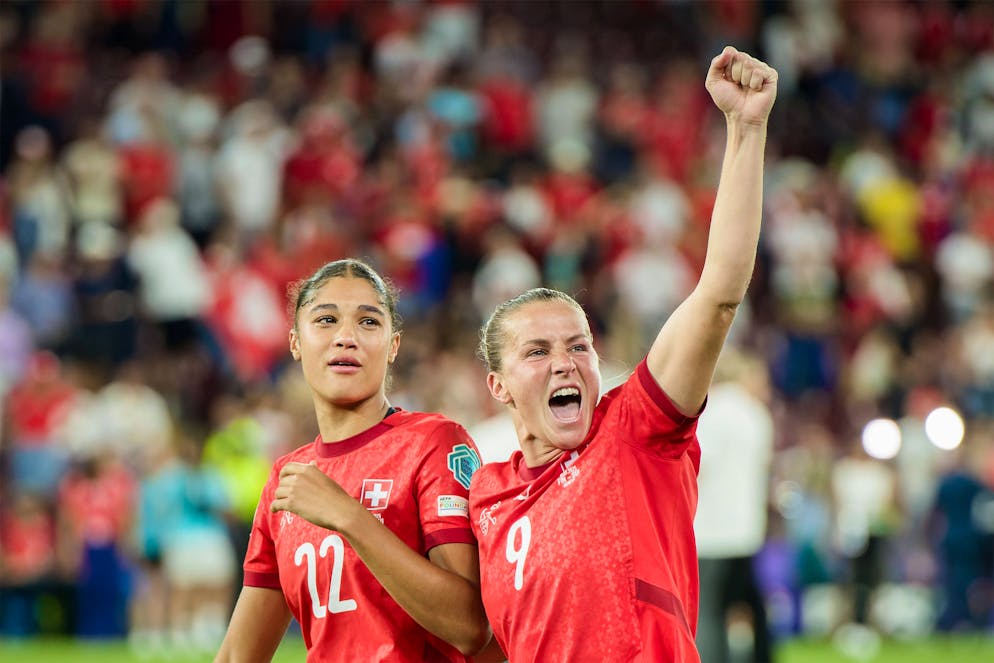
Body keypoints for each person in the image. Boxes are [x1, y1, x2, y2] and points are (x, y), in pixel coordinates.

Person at [468, 46, 777, 662]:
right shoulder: (486, 494)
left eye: (578, 345)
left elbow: (718, 293)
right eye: (537, 350)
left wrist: (746, 130)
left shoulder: (634, 429)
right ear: (498, 385)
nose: (566, 361)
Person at [214, 259, 490, 662]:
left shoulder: (433, 444)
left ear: (393, 345)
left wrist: (349, 516)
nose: (346, 337)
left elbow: (469, 627)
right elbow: (240, 653)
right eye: (325, 320)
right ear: (295, 342)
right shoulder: (286, 480)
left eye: (369, 322)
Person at [694, 350, 775, 663]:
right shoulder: (756, 415)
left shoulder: (710, 414)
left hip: (711, 534)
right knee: (750, 605)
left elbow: (698, 465)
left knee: (710, 612)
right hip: (747, 530)